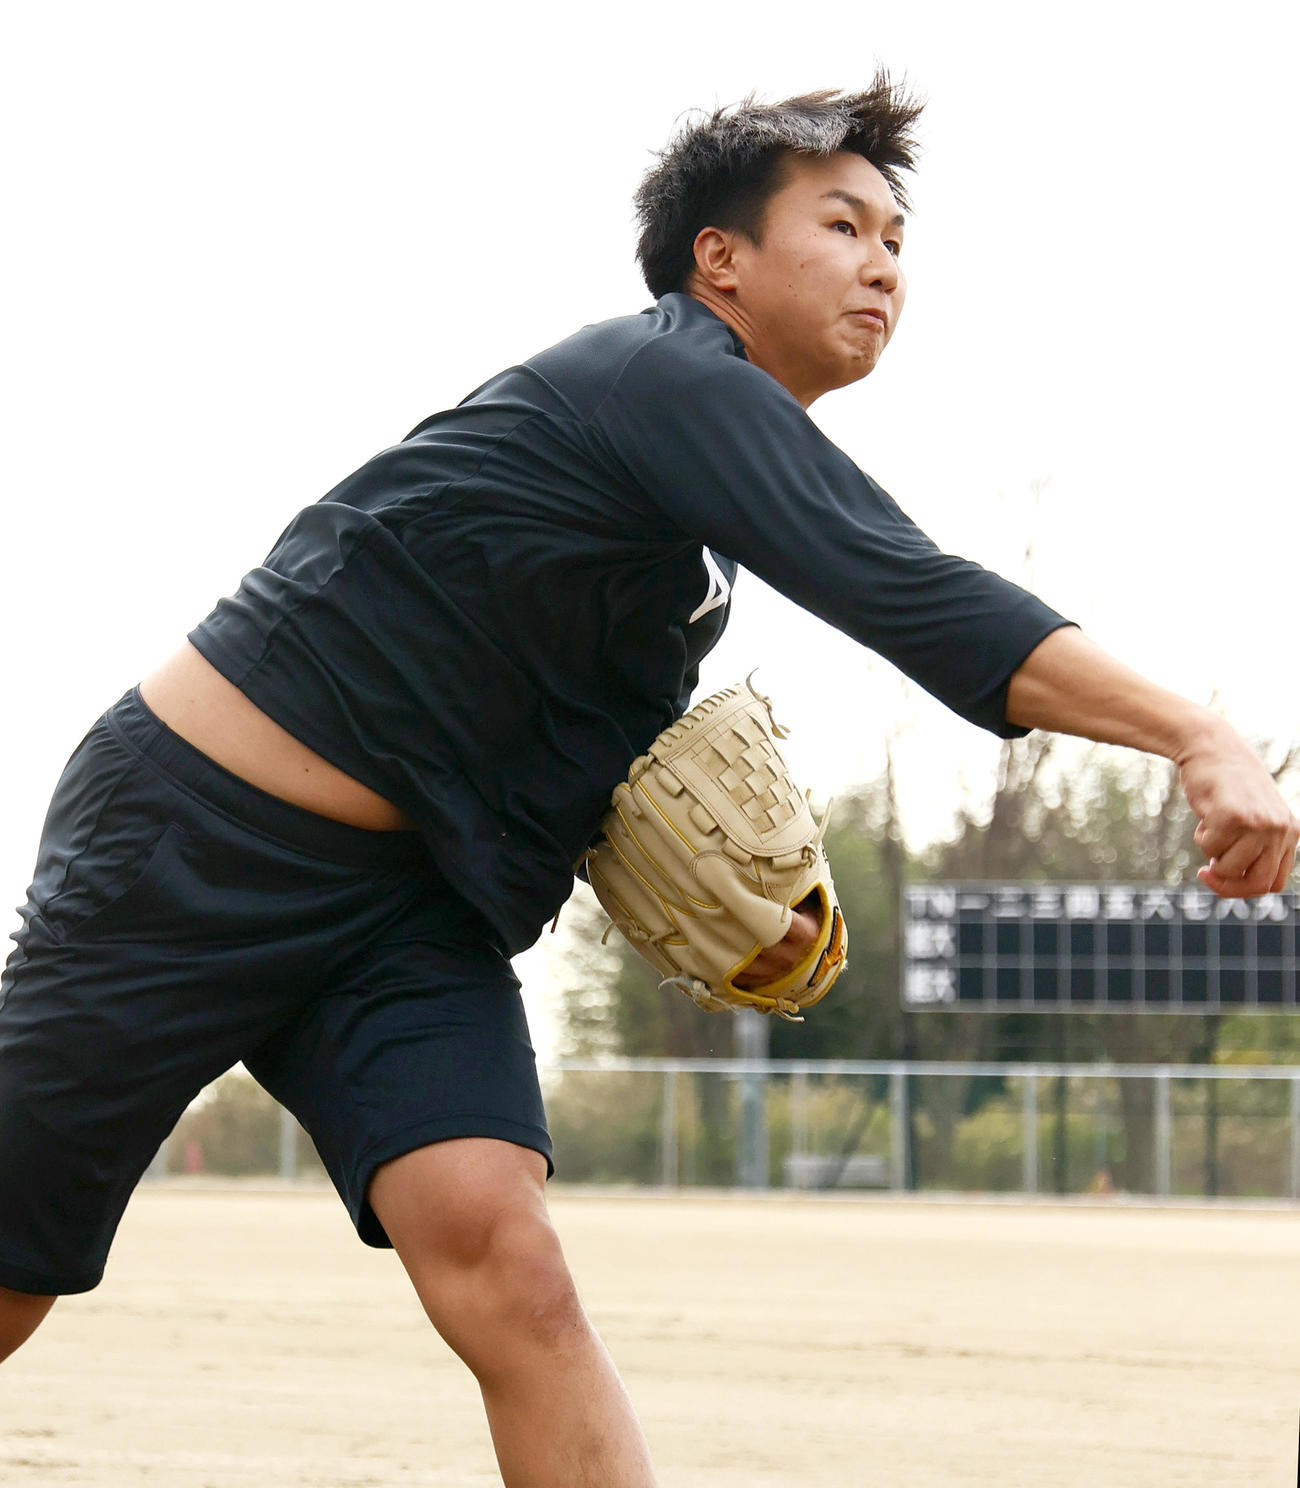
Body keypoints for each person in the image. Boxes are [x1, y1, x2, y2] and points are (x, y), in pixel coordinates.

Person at [1, 75, 1295, 1487]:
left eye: (897, 240)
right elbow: (910, 590)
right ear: (718, 258)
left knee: (511, 1263)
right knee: (12, 1268)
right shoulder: (661, 378)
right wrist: (1197, 736)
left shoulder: (698, 519)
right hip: (190, 848)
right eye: (843, 224)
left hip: (404, 910)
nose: (883, 264)